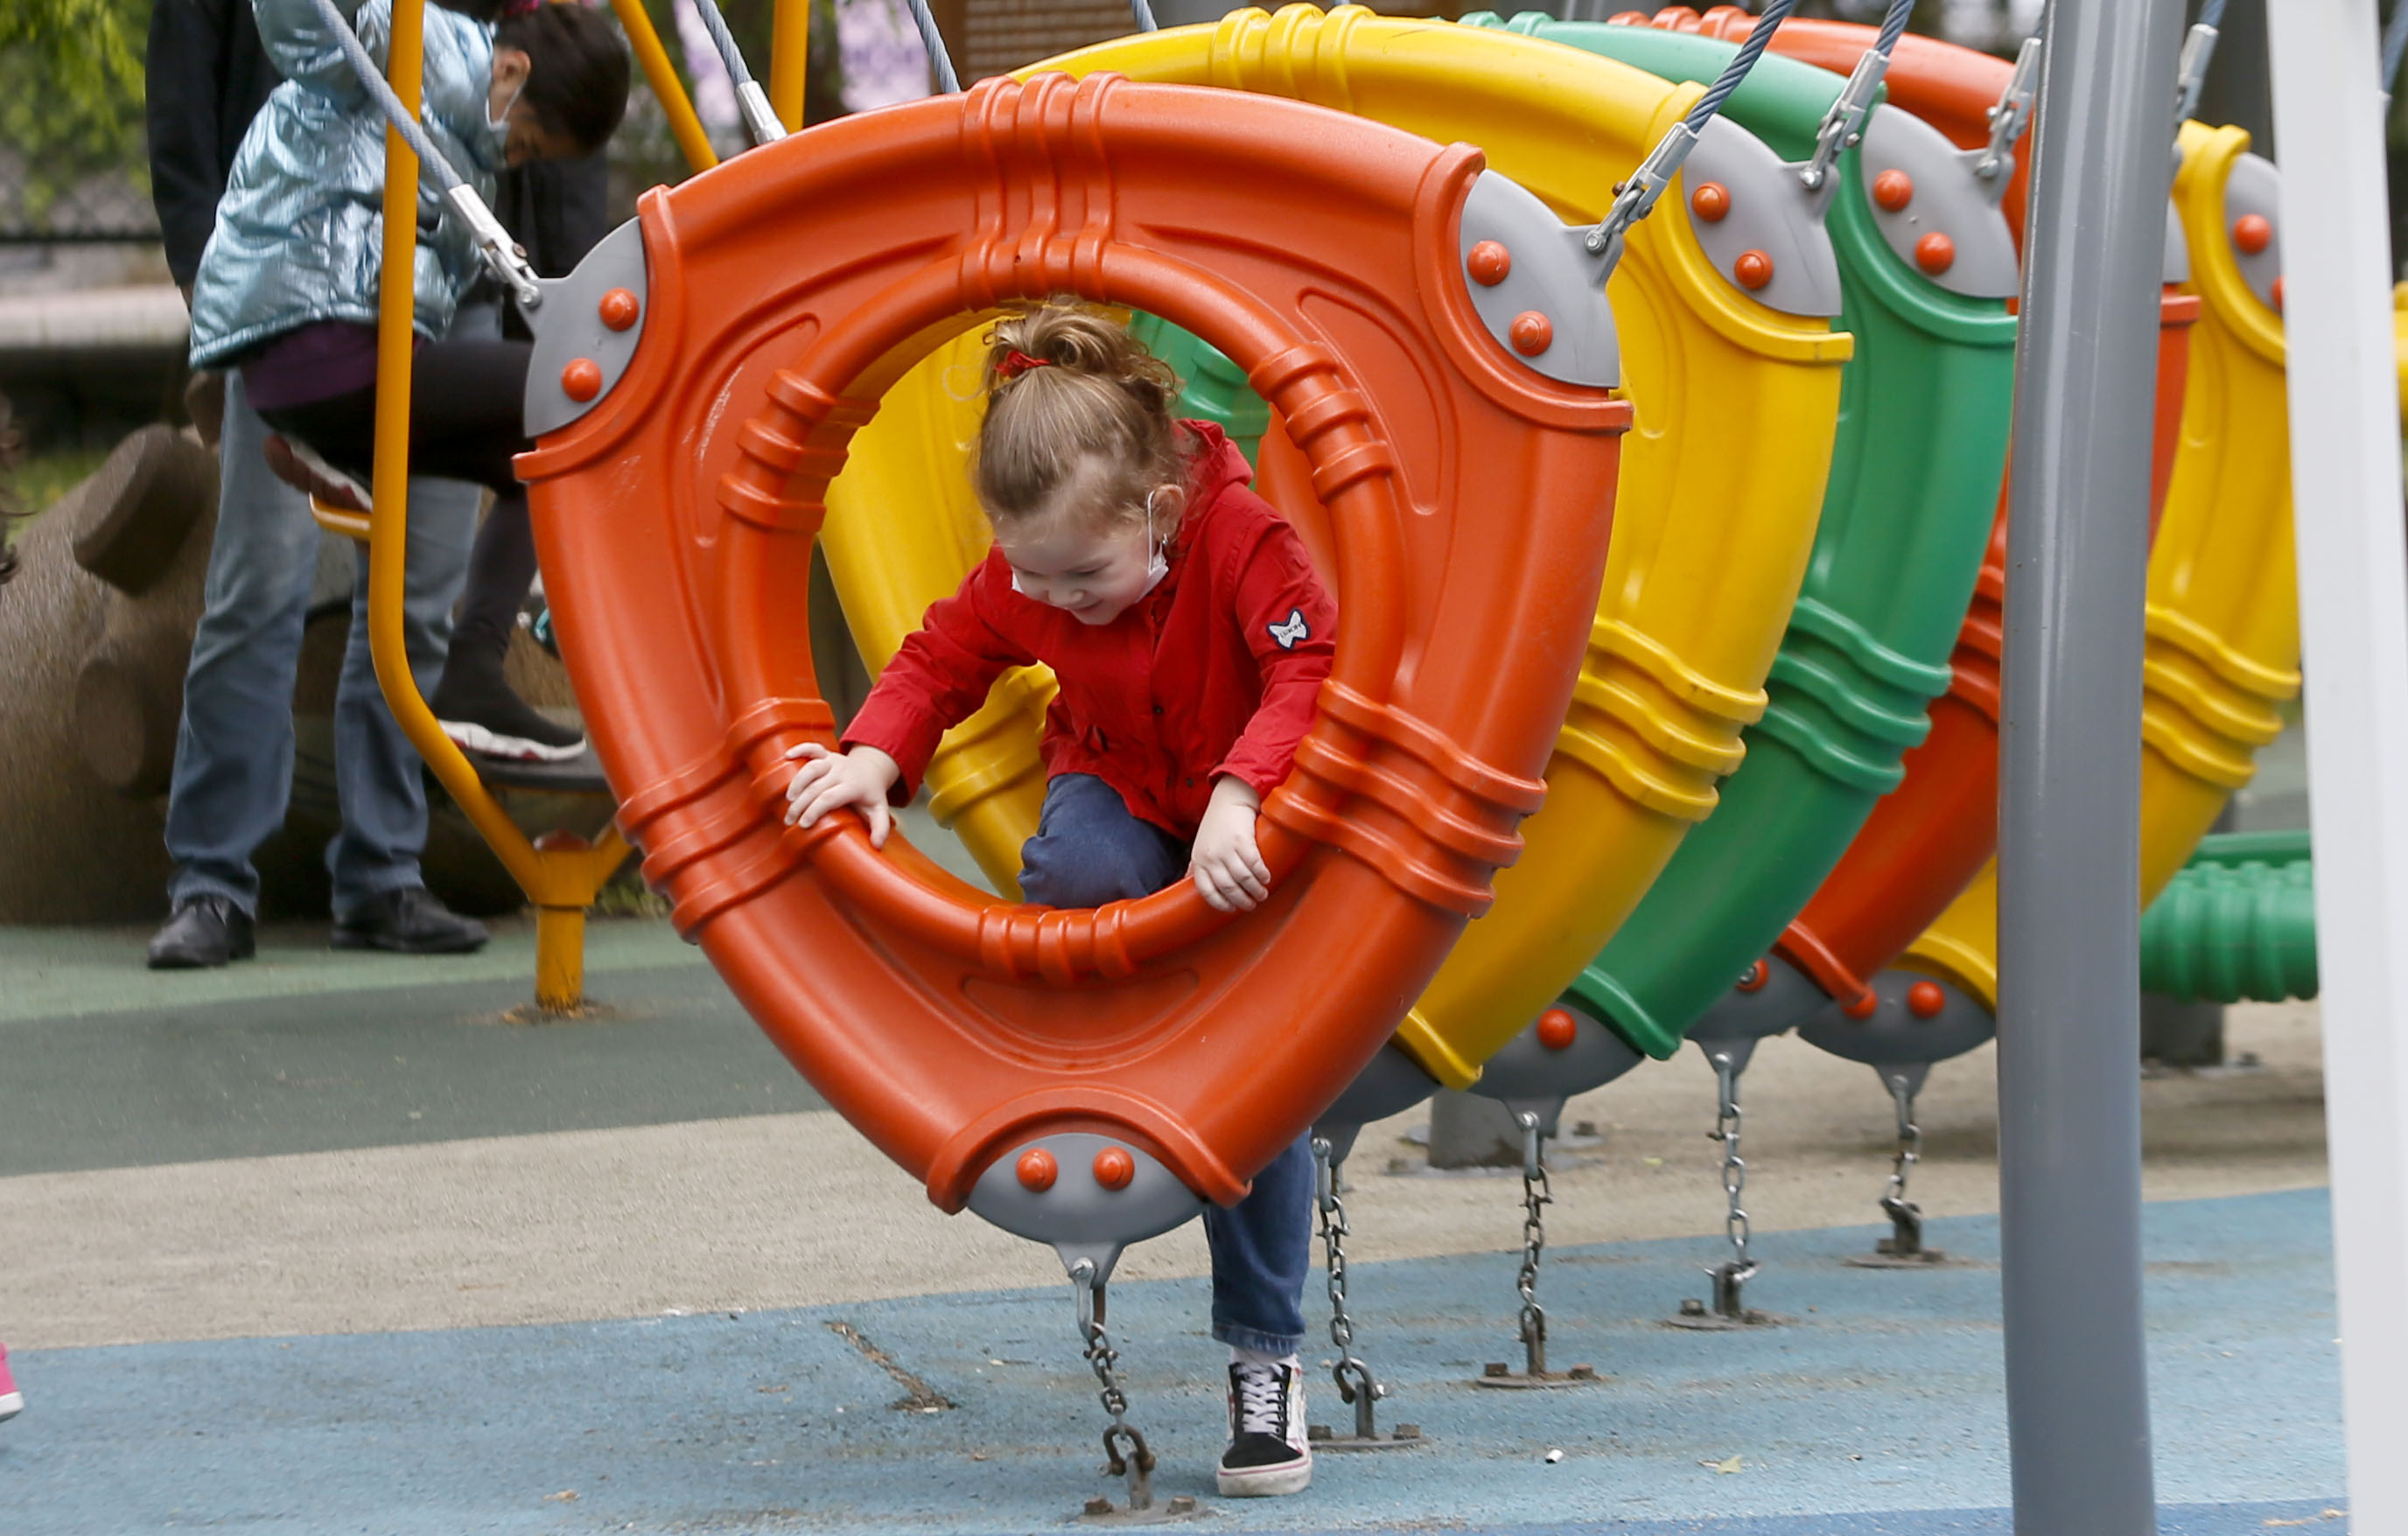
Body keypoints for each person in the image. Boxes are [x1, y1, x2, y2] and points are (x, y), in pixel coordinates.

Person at [783, 303, 1338, 1498]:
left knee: (1266, 1094)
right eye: (1032, 574)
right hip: (1122, 781)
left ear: (1161, 511)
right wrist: (875, 756)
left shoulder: (1243, 539)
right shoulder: (1039, 566)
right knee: (1078, 869)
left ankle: (1264, 1359)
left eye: (1083, 576)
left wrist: (1245, 792)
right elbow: (943, 655)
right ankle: (1111, 1056)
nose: (1056, 598)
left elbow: (1308, 665)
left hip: (1249, 814)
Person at [144, 0, 493, 967]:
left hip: (449, 270)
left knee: (419, 592)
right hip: (298, 281)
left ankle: (384, 869)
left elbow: (534, 62)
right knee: (259, 582)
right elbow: (184, 91)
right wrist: (209, 275)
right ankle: (212, 878)